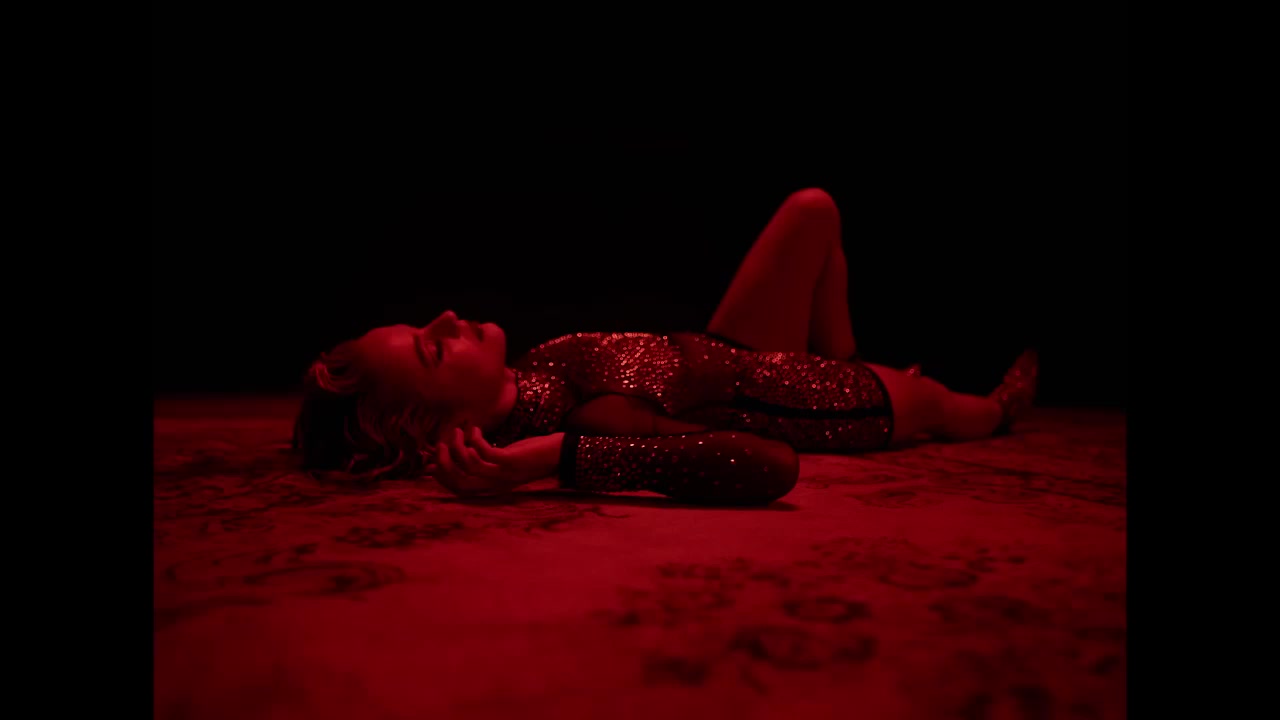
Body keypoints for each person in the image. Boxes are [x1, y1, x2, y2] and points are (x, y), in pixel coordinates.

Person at [291, 188, 1037, 505]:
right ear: (444, 433)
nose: (448, 317)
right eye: (432, 350)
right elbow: (768, 465)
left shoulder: (532, 374)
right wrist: (558, 459)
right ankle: (992, 411)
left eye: (424, 325)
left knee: (813, 210)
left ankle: (846, 355)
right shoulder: (581, 422)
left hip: (732, 350)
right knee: (947, 408)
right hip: (810, 400)